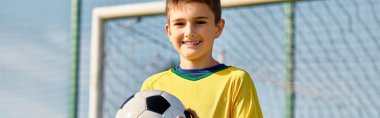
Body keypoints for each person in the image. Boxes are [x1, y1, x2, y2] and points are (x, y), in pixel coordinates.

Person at [141, 0, 263, 117]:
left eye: (200, 22)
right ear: (169, 32)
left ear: (218, 28)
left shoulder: (236, 81)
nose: (189, 32)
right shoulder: (152, 85)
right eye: (179, 23)